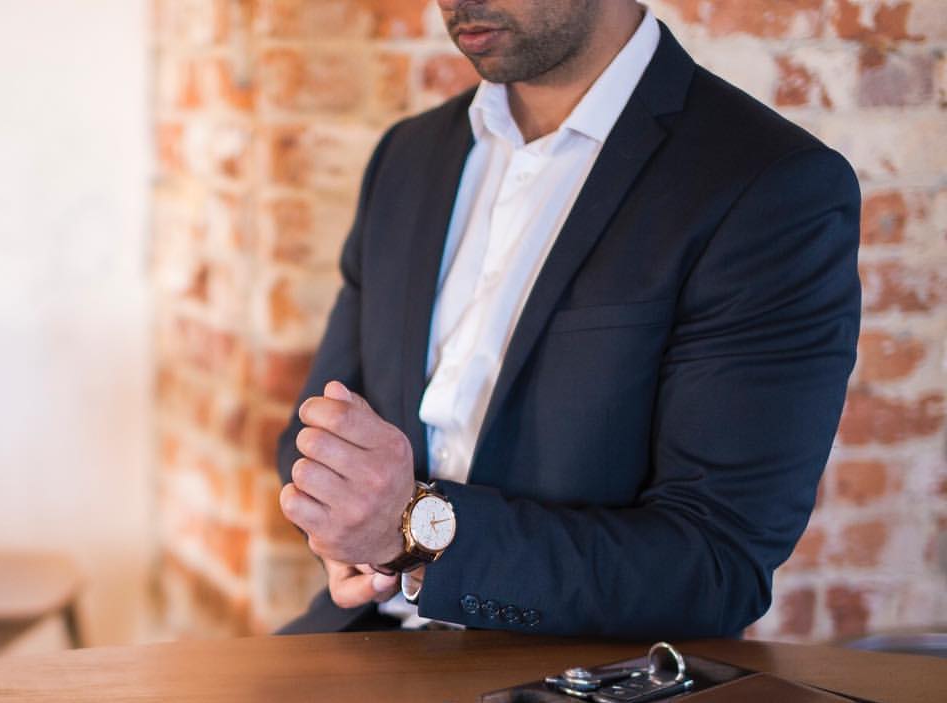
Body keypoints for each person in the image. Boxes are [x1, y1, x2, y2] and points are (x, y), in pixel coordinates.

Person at [276, 0, 861, 637]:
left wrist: (413, 534)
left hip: (577, 696)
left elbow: (716, 564)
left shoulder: (765, 187)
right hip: (359, 639)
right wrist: (346, 527)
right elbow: (316, 433)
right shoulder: (406, 157)